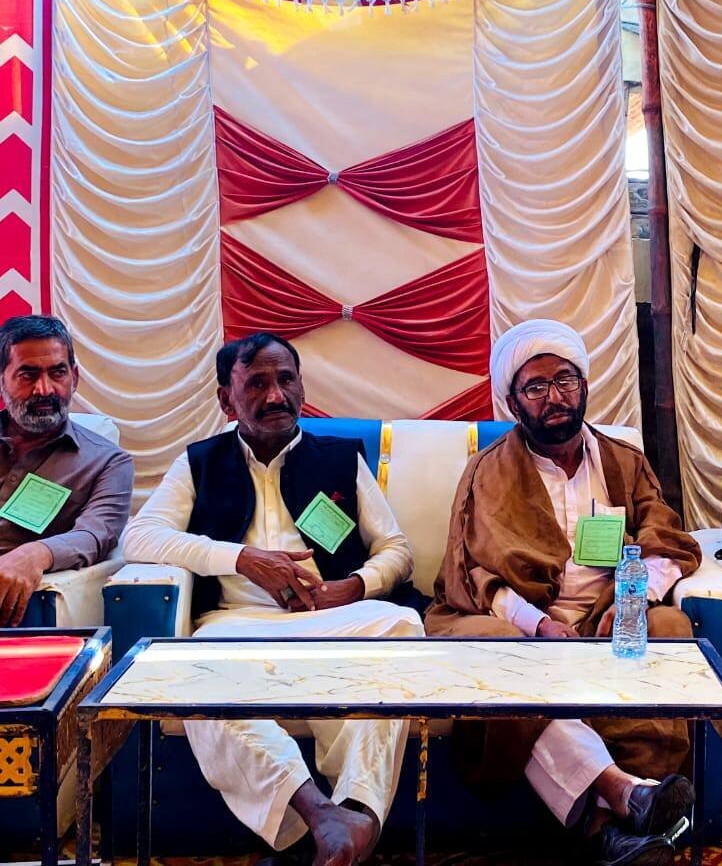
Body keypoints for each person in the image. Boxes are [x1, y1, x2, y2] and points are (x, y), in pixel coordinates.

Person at [123, 333, 422, 866]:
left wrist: (353, 587)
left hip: (331, 624)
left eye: (286, 380)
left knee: (402, 625)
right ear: (226, 399)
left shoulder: (339, 458)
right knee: (188, 669)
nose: (276, 395)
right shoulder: (200, 462)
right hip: (237, 628)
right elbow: (140, 537)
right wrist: (241, 559)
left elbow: (396, 550)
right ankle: (324, 816)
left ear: (302, 386)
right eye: (257, 384)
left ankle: (355, 811)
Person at [425, 319, 700, 866]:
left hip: (607, 613)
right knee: (508, 651)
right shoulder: (488, 472)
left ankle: (619, 826)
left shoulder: (624, 462)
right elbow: (472, 574)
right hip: (519, 619)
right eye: (535, 387)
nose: (554, 396)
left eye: (565, 380)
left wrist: (632, 600)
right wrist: (540, 625)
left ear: (584, 386)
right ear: (512, 402)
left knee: (669, 627)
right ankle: (626, 798)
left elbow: (664, 539)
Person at [0, 314, 132, 626]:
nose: (44, 389)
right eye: (28, 375)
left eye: (57, 373)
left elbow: (95, 534)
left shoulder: (107, 462)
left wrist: (35, 554)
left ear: (74, 376)